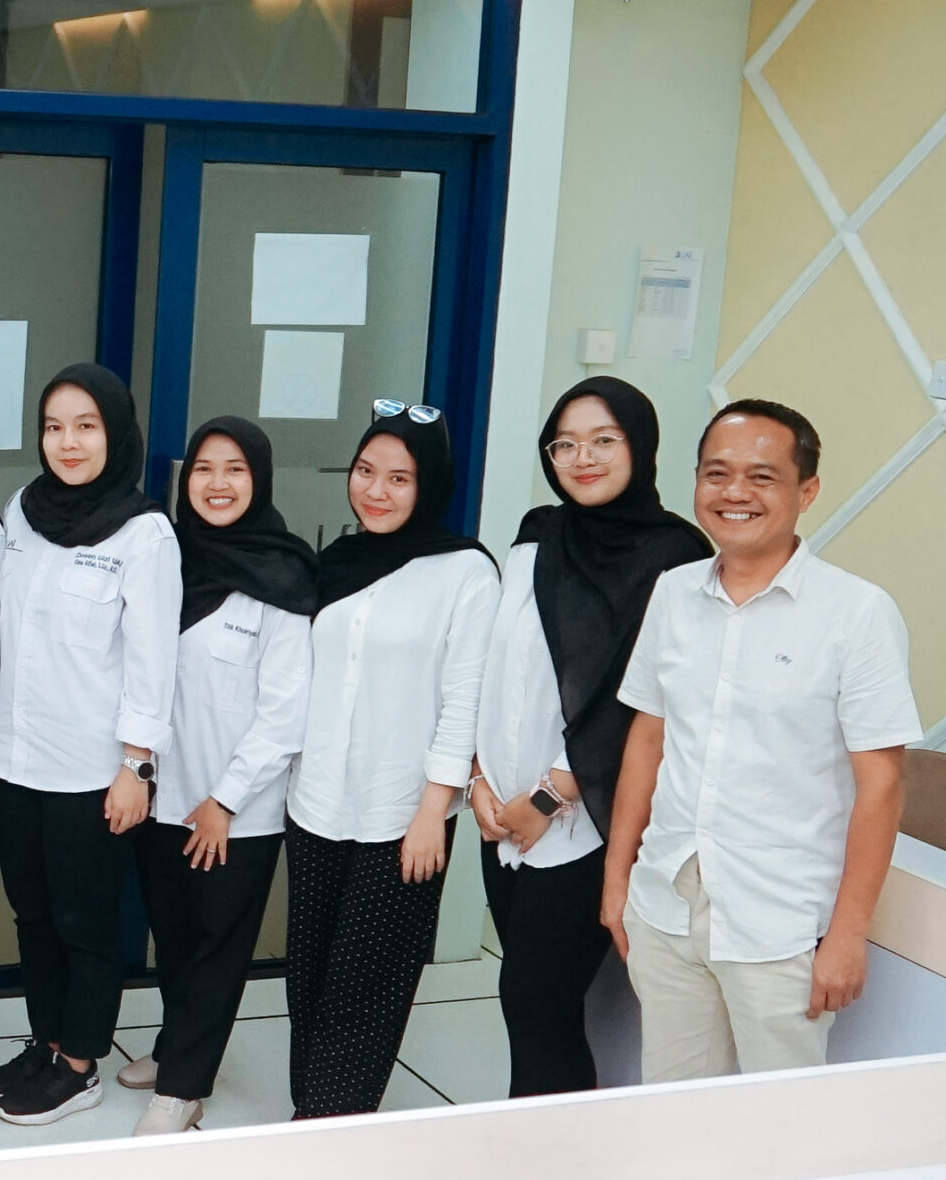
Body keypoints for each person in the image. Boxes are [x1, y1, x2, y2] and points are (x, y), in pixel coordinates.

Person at [604, 399, 920, 1081]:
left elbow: (883, 784)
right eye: (716, 474)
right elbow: (649, 739)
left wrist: (847, 936)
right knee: (676, 1103)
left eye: (762, 476)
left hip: (780, 920)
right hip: (665, 901)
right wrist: (617, 880)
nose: (735, 492)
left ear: (807, 491)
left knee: (783, 1120)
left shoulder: (857, 613)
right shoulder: (673, 594)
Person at [472, 378, 708, 1098]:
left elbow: (645, 703)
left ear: (640, 445)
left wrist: (548, 796)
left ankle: (546, 1149)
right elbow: (497, 668)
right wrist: (479, 778)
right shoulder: (536, 536)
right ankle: (541, 1139)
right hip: (502, 814)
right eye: (565, 444)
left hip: (586, 820)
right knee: (528, 1000)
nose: (583, 458)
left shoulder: (675, 554)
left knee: (536, 999)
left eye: (604, 439)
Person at [0, 364, 178, 1127]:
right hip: (17, 756)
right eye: (54, 426)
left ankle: (82, 1063)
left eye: (86, 426)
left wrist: (136, 766)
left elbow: (154, 663)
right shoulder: (23, 511)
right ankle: (48, 1041)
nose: (68, 442)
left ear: (115, 434)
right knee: (31, 914)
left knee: (85, 923)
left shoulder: (145, 533)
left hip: (93, 769)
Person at [285, 401, 496, 1120]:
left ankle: (334, 1122)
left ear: (428, 484)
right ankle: (309, 1110)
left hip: (404, 814)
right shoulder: (336, 564)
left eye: (399, 478)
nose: (375, 491)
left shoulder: (466, 573)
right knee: (309, 971)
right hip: (315, 800)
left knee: (368, 980)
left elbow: (465, 699)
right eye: (365, 471)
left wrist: (434, 810)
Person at [122, 416, 316, 1136]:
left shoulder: (284, 578)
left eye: (235, 469)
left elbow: (285, 714)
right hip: (161, 794)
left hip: (237, 809)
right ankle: (179, 1043)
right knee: (172, 935)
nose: (218, 484)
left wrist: (225, 801)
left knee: (216, 945)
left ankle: (185, 1086)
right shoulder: (170, 561)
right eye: (204, 469)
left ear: (259, 479)